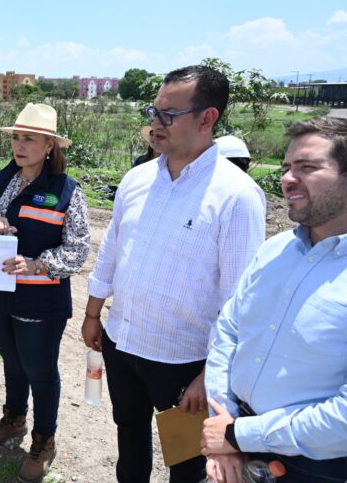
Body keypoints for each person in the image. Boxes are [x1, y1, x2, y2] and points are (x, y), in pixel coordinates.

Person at [81, 65, 267, 483]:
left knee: (185, 461)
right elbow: (112, 248)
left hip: (183, 362)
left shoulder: (236, 196)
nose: (155, 124)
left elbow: (239, 303)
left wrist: (210, 377)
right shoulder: (138, 178)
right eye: (153, 111)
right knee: (128, 433)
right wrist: (94, 313)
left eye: (168, 114)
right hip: (123, 342)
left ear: (207, 119)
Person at [201, 117, 347, 483]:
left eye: (307, 167)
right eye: (286, 167)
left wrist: (237, 435)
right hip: (234, 436)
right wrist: (224, 421)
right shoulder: (275, 249)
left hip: (313, 466)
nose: (287, 178)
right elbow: (229, 330)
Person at [0, 103, 91, 483]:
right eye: (17, 137)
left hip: (40, 302)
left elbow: (79, 249)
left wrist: (36, 264)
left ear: (49, 145)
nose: (20, 145)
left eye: (29, 139)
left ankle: (43, 439)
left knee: (40, 370)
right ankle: (15, 418)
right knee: (12, 361)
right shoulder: (4, 178)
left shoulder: (66, 191)